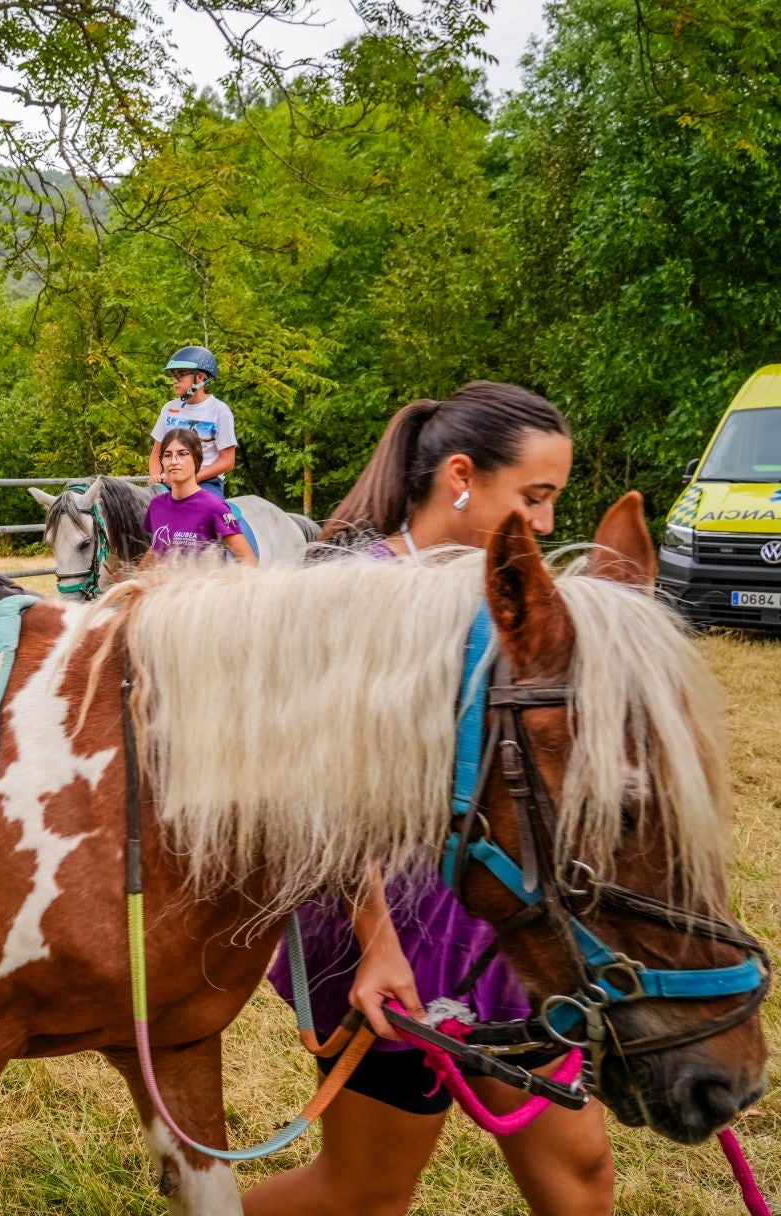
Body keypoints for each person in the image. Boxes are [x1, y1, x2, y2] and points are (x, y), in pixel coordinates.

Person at [245, 382, 609, 1216]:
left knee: (580, 1173)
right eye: (535, 498)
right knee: (365, 1192)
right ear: (461, 477)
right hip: (389, 926)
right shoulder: (353, 594)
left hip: (508, 922)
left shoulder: (515, 594)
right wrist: (377, 944)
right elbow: (314, 789)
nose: (547, 525)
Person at [143, 428, 256, 566]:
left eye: (182, 454)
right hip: (165, 586)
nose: (173, 461)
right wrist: (135, 577)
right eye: (167, 455)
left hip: (203, 586)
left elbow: (249, 561)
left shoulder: (214, 506)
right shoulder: (156, 505)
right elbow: (157, 545)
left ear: (196, 459)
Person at [146, 345, 238, 498]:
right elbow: (156, 453)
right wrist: (156, 476)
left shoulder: (219, 411)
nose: (175, 381)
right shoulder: (168, 409)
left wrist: (192, 478)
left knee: (207, 513)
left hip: (205, 482)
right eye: (173, 375)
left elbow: (228, 461)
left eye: (181, 375)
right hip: (169, 481)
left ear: (201, 377)